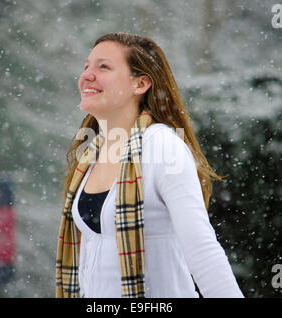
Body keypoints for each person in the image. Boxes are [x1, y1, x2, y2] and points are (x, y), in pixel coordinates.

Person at [56, 32, 244, 298]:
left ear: (140, 83)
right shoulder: (92, 154)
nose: (87, 75)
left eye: (103, 67)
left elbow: (202, 249)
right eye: (86, 66)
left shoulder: (162, 147)